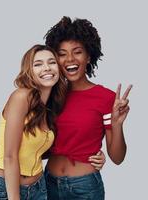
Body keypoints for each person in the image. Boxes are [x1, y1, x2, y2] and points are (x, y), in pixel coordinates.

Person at [43, 16, 132, 200]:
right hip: (47, 183)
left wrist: (117, 124)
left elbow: (117, 158)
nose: (70, 59)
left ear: (88, 56)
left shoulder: (106, 98)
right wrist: (12, 146)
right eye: (62, 53)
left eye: (77, 52)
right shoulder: (49, 95)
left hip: (85, 188)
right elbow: (44, 147)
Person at [0, 44, 67, 200]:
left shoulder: (50, 107)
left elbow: (37, 151)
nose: (47, 68)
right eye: (38, 64)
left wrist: (94, 155)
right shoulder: (21, 97)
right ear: (29, 71)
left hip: (38, 189)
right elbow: (9, 156)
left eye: (52, 62)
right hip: (6, 190)